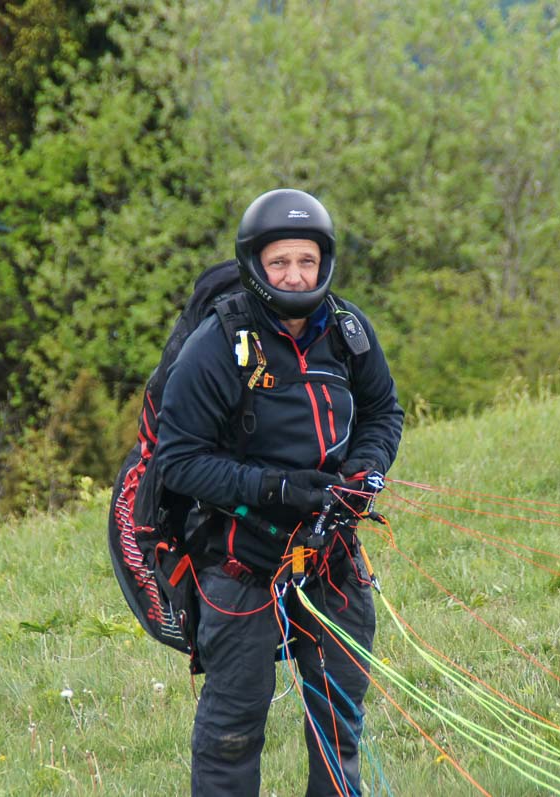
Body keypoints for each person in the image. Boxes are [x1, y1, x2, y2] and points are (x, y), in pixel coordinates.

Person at [156, 188, 404, 796]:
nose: (295, 276)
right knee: (233, 731)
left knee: (340, 723)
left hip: (332, 556)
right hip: (242, 562)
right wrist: (280, 487)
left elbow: (382, 412)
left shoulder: (348, 331)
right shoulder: (218, 345)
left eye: (306, 261)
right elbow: (179, 462)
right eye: (280, 262)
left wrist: (365, 473)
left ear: (325, 263)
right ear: (255, 265)